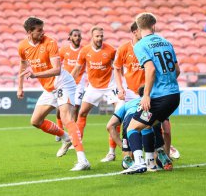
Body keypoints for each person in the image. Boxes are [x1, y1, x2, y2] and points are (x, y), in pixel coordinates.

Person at [17, 17, 90, 171]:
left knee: (67, 118)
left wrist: (36, 75)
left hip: (63, 82)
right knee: (36, 121)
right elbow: (23, 65)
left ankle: (83, 160)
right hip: (49, 87)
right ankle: (65, 137)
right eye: (39, 30)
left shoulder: (50, 42)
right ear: (29, 32)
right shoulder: (23, 46)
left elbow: (57, 69)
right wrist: (20, 86)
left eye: (43, 29)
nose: (43, 32)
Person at [120, 12, 180, 175]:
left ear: (138, 28)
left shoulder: (140, 45)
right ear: (154, 26)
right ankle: (153, 161)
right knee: (148, 125)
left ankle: (138, 162)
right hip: (174, 96)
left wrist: (146, 95)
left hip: (159, 97)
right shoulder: (167, 43)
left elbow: (151, 69)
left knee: (132, 126)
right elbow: (177, 71)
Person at [70, 26, 119, 157]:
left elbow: (119, 66)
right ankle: (77, 142)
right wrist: (68, 83)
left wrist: (123, 83)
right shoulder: (85, 51)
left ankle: (111, 152)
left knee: (118, 115)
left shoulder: (111, 50)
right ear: (92, 37)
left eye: (101, 36)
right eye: (97, 36)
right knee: (82, 112)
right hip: (93, 87)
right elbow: (77, 68)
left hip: (110, 85)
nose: (100, 38)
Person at [106, 85, 171, 172]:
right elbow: (166, 130)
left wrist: (123, 146)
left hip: (129, 121)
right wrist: (168, 151)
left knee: (129, 154)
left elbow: (109, 126)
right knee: (151, 126)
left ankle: (128, 159)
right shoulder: (155, 103)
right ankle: (157, 157)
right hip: (149, 120)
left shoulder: (129, 103)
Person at [55, 29, 86, 142]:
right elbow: (57, 65)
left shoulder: (84, 50)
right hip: (65, 83)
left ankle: (73, 132)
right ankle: (59, 128)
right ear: (70, 37)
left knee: (76, 107)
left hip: (79, 82)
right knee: (60, 108)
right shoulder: (64, 50)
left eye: (79, 36)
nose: (78, 38)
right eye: (75, 36)